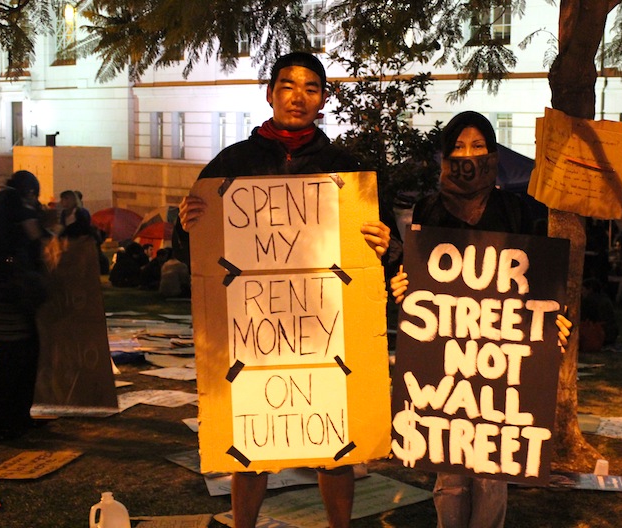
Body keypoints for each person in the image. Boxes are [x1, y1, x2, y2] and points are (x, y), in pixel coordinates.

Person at [177, 51, 391, 528]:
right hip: (254, 331)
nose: (298, 96)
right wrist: (187, 224)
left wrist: (384, 241)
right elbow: (198, 250)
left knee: (335, 444)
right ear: (271, 93)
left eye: (311, 88)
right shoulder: (231, 164)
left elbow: (378, 250)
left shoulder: (345, 171)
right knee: (252, 442)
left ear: (322, 100)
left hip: (325, 329)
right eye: (288, 86)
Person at [389, 111, 571, 528]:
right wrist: (403, 286)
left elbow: (538, 279)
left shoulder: (517, 210)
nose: (467, 156)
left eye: (477, 146)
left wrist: (553, 319)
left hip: (500, 359)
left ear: (492, 152)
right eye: (457, 147)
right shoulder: (429, 208)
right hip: (447, 358)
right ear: (444, 155)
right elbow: (419, 272)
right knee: (450, 469)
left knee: (492, 469)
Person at [0, 170, 49, 441]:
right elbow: (35, 237)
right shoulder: (15, 205)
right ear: (30, 192)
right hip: (2, 297)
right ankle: (2, 420)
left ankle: (7, 418)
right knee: (20, 355)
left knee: (16, 356)